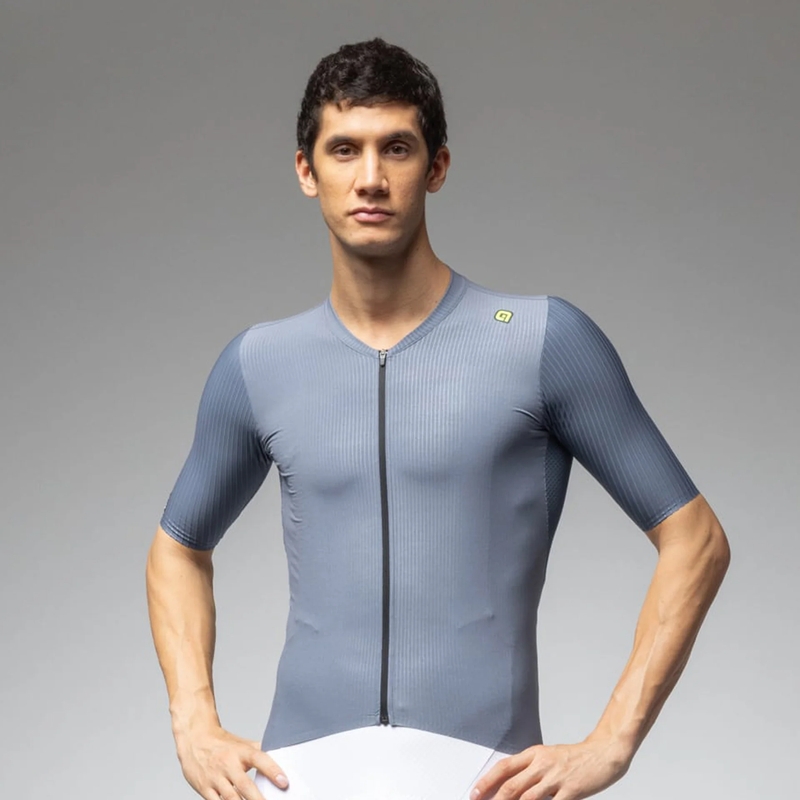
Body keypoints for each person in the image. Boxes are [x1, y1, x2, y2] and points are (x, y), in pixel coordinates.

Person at [145, 37, 730, 800]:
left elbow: (696, 539)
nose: (371, 177)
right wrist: (193, 722)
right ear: (306, 171)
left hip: (481, 777)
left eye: (397, 148)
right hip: (298, 779)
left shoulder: (541, 342)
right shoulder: (258, 363)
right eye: (344, 149)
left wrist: (613, 740)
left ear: (437, 167)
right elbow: (177, 550)